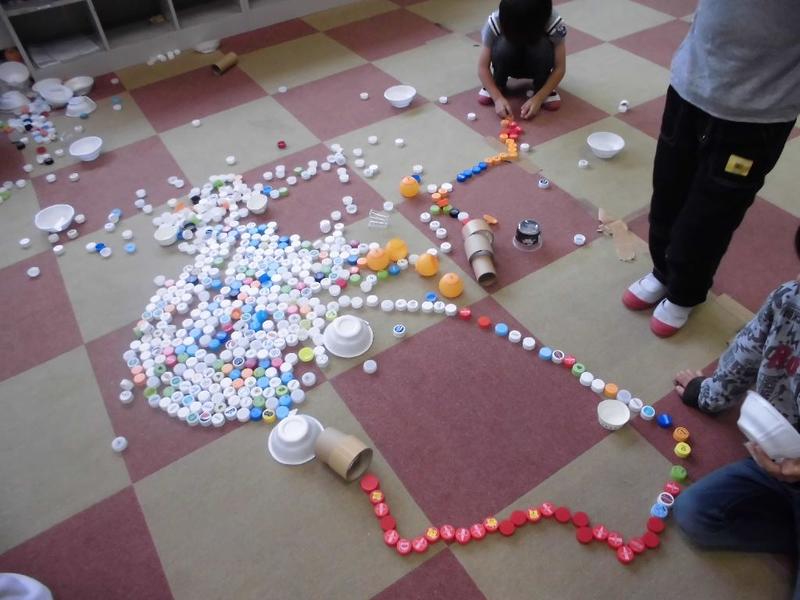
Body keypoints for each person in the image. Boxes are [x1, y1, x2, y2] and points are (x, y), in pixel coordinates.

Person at [622, 0, 800, 337]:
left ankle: (685, 292)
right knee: (667, 193)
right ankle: (663, 271)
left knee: (711, 213)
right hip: (690, 84)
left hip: (758, 110)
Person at [672, 225, 800, 596]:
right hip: (780, 458)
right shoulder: (790, 299)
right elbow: (747, 353)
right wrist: (705, 394)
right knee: (694, 513)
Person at [477, 0, 566, 120]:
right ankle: (497, 83)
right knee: (503, 44)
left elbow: (560, 68)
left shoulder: (554, 23)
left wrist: (539, 98)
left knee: (543, 45)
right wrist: (497, 98)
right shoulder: (496, 21)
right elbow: (482, 67)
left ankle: (542, 85)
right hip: (508, 62)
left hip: (537, 63)